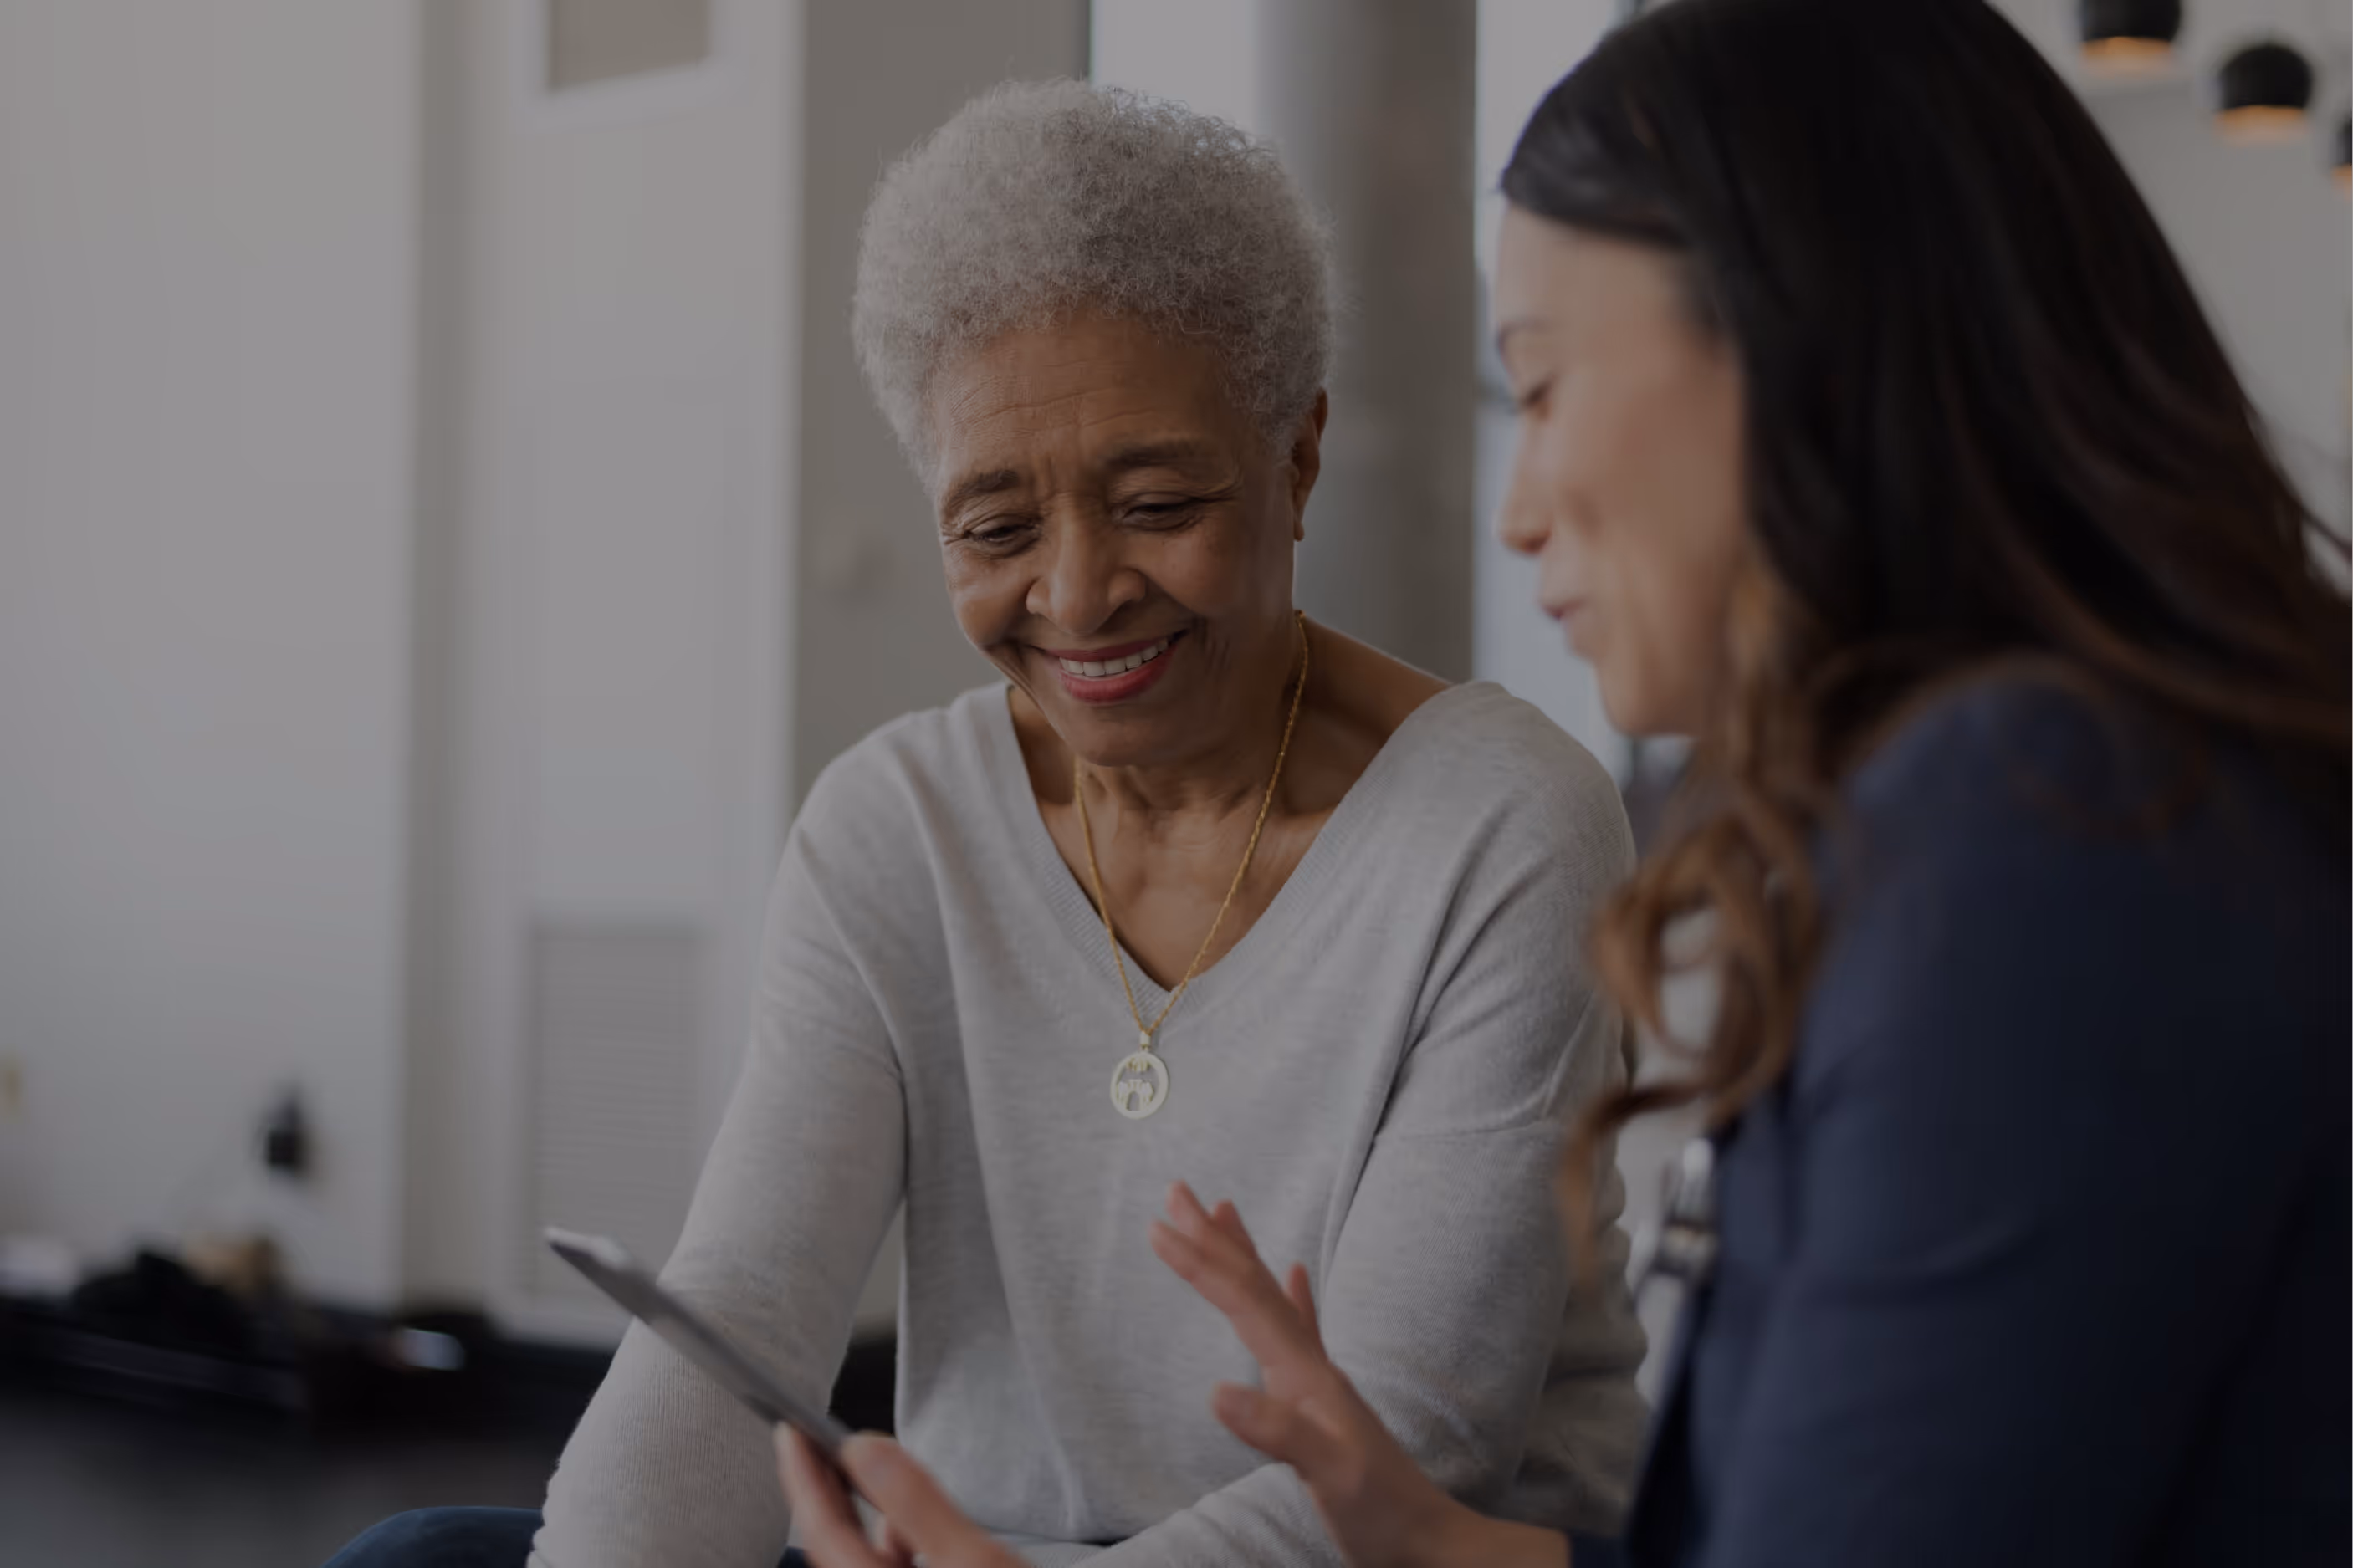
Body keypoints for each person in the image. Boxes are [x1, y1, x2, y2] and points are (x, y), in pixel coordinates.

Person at [784, 3, 2351, 1565]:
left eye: (1539, 387)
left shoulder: (2039, 834)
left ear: (1798, 343)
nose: (1520, 509)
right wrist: (1438, 1544)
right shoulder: (2065, 793)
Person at [325, 81, 1649, 1568]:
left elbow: (1408, 1455)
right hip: (971, 1550)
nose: (1077, 597)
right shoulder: (893, 827)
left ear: (1298, 455)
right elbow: (740, 1310)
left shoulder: (1502, 827)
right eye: (998, 528)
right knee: (421, 1558)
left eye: (1158, 501)